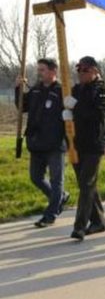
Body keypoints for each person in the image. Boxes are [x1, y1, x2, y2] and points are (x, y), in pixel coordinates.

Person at [15, 58, 69, 228]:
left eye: (43, 70)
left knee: (56, 180)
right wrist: (18, 88)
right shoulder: (36, 90)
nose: (40, 73)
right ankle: (60, 197)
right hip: (36, 143)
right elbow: (22, 106)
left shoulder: (62, 91)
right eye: (39, 69)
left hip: (55, 144)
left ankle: (50, 214)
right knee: (36, 178)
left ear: (54, 71)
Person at [67, 56, 105, 241]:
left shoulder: (101, 90)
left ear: (95, 71)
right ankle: (98, 221)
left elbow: (99, 114)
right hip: (77, 143)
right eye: (79, 71)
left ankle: (79, 226)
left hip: (94, 143)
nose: (81, 74)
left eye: (85, 70)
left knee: (86, 183)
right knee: (87, 184)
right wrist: (66, 111)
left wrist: (75, 108)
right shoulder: (76, 89)